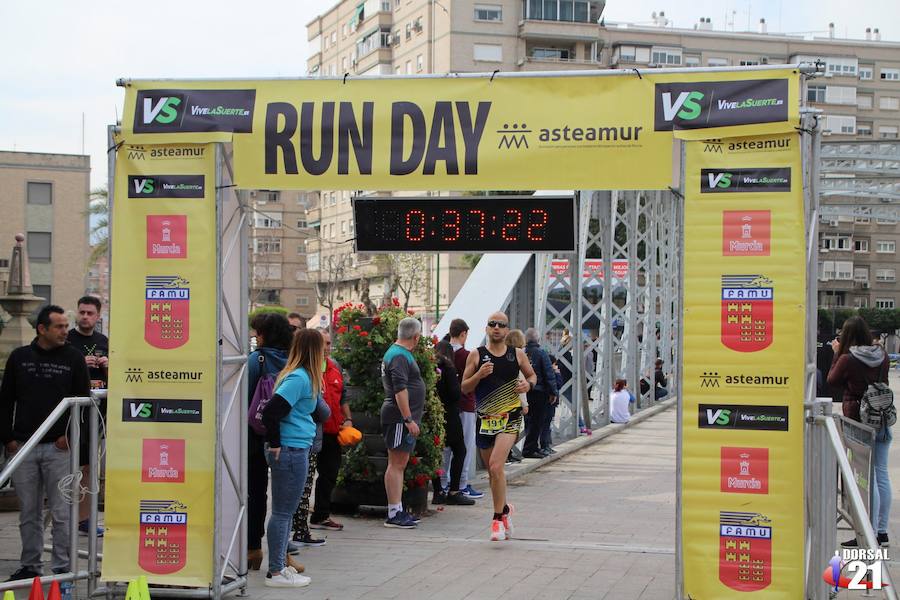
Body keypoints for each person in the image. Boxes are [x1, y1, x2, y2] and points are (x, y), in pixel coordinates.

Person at [0, 305, 91, 580]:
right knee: (29, 512)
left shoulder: (74, 359)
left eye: (66, 325)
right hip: (24, 446)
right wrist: (9, 439)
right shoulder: (19, 358)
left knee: (62, 512)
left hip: (58, 448)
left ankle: (62, 567)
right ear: (42, 329)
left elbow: (83, 406)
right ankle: (30, 565)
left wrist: (70, 438)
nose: (66, 331)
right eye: (59, 327)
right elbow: (5, 401)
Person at [462, 312, 537, 542]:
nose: (496, 328)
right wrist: (479, 376)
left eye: (501, 325)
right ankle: (504, 511)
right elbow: (464, 387)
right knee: (493, 473)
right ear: (486, 329)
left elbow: (532, 376)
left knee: (496, 466)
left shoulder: (517, 355)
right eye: (492, 324)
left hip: (510, 417)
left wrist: (528, 384)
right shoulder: (477, 355)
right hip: (485, 419)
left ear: (507, 331)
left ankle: (496, 521)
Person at [261, 328, 324, 587]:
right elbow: (271, 412)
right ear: (315, 350)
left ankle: (279, 567)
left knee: (284, 512)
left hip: (293, 448)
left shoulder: (299, 376)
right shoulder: (299, 378)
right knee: (283, 512)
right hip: (290, 449)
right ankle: (276, 571)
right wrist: (276, 443)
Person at [827, 316, 892, 547]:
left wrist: (836, 353)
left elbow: (832, 380)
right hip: (882, 418)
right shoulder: (882, 355)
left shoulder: (848, 358)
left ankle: (868, 532)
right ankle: (881, 532)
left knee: (866, 478)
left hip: (859, 421)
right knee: (881, 474)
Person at [291, 328, 351, 544]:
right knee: (303, 482)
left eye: (328, 343)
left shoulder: (334, 366)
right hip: (309, 435)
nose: (326, 347)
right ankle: (297, 528)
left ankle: (319, 516)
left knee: (328, 474)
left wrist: (348, 420)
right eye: (322, 343)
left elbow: (343, 396)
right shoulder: (304, 372)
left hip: (332, 431)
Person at [246, 313, 293, 571]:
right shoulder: (292, 361)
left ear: (265, 334)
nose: (255, 336)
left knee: (256, 493)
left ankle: (253, 549)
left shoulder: (257, 359)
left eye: (258, 332)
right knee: (286, 498)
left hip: (255, 436)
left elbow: (245, 396)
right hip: (286, 434)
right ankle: (283, 553)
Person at [67, 295, 109, 536]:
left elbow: (114, 377)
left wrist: (105, 364)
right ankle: (64, 520)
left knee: (89, 468)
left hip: (96, 415)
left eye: (89, 313)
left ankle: (85, 520)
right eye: (81, 312)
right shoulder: (68, 340)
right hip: (71, 414)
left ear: (97, 316)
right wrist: (79, 362)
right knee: (67, 468)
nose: (85, 317)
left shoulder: (103, 341)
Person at [381, 317, 426, 529]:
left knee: (399, 463)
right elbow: (400, 389)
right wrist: (408, 419)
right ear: (415, 337)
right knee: (397, 463)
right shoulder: (399, 356)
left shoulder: (398, 353)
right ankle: (394, 512)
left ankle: (397, 509)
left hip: (400, 418)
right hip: (399, 418)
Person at [431, 341, 474, 506]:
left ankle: (437, 491)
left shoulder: (431, 368)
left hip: (435, 416)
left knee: (436, 453)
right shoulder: (449, 368)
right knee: (460, 450)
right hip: (450, 416)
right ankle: (454, 490)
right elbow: (456, 394)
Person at [445, 319, 484, 499]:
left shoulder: (440, 352)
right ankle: (461, 483)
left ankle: (444, 483)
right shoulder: (467, 355)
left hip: (447, 406)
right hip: (466, 403)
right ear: (463, 334)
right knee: (465, 446)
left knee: (446, 447)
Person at [522, 328, 558, 459]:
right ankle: (530, 449)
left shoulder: (522, 353)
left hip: (525, 392)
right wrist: (553, 392)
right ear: (538, 339)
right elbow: (549, 374)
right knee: (537, 422)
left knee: (528, 421)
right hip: (539, 392)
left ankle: (531, 447)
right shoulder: (542, 353)